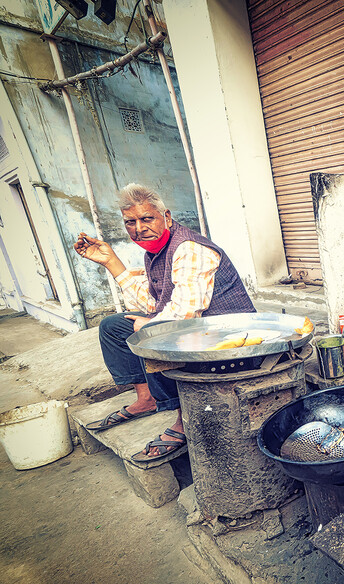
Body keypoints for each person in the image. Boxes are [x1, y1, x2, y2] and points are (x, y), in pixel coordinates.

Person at [74, 183, 255, 461]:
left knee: (151, 333)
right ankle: (146, 400)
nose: (139, 228)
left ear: (166, 217)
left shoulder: (189, 248)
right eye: (130, 222)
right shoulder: (155, 253)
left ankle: (184, 418)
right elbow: (153, 304)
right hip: (199, 329)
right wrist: (112, 262)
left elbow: (185, 313)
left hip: (230, 338)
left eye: (147, 218)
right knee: (114, 327)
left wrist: (148, 327)